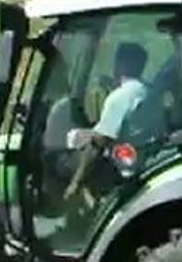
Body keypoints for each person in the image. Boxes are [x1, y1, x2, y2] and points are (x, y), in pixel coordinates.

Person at [63, 42, 163, 201]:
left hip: (124, 170)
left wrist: (75, 183)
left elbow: (99, 145)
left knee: (66, 162)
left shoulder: (118, 98)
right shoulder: (150, 93)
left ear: (120, 64)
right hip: (147, 159)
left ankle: (83, 213)